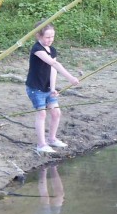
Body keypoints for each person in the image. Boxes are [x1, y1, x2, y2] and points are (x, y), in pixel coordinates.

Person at [25, 22, 81, 155]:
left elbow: (53, 70)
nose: (50, 40)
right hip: (35, 88)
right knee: (42, 113)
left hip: (47, 88)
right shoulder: (37, 49)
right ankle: (41, 145)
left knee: (56, 113)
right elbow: (54, 63)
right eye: (47, 37)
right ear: (38, 36)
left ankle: (52, 139)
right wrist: (70, 78)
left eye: (52, 37)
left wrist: (53, 88)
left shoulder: (53, 50)